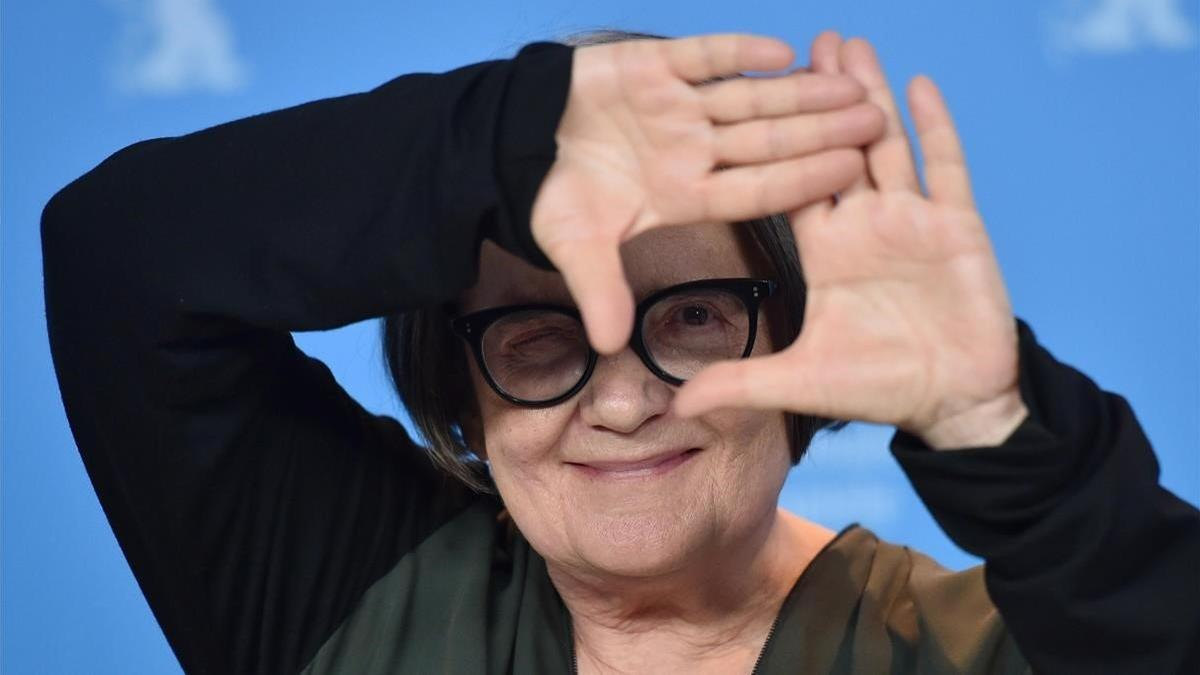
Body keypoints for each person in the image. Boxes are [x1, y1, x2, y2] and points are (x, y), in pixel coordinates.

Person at [40, 26, 1197, 675]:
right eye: (538, 339)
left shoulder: (986, 653)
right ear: (462, 394)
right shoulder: (358, 604)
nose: (627, 402)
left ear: (799, 339)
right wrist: (496, 141)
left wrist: (1001, 438)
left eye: (692, 316)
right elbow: (118, 259)